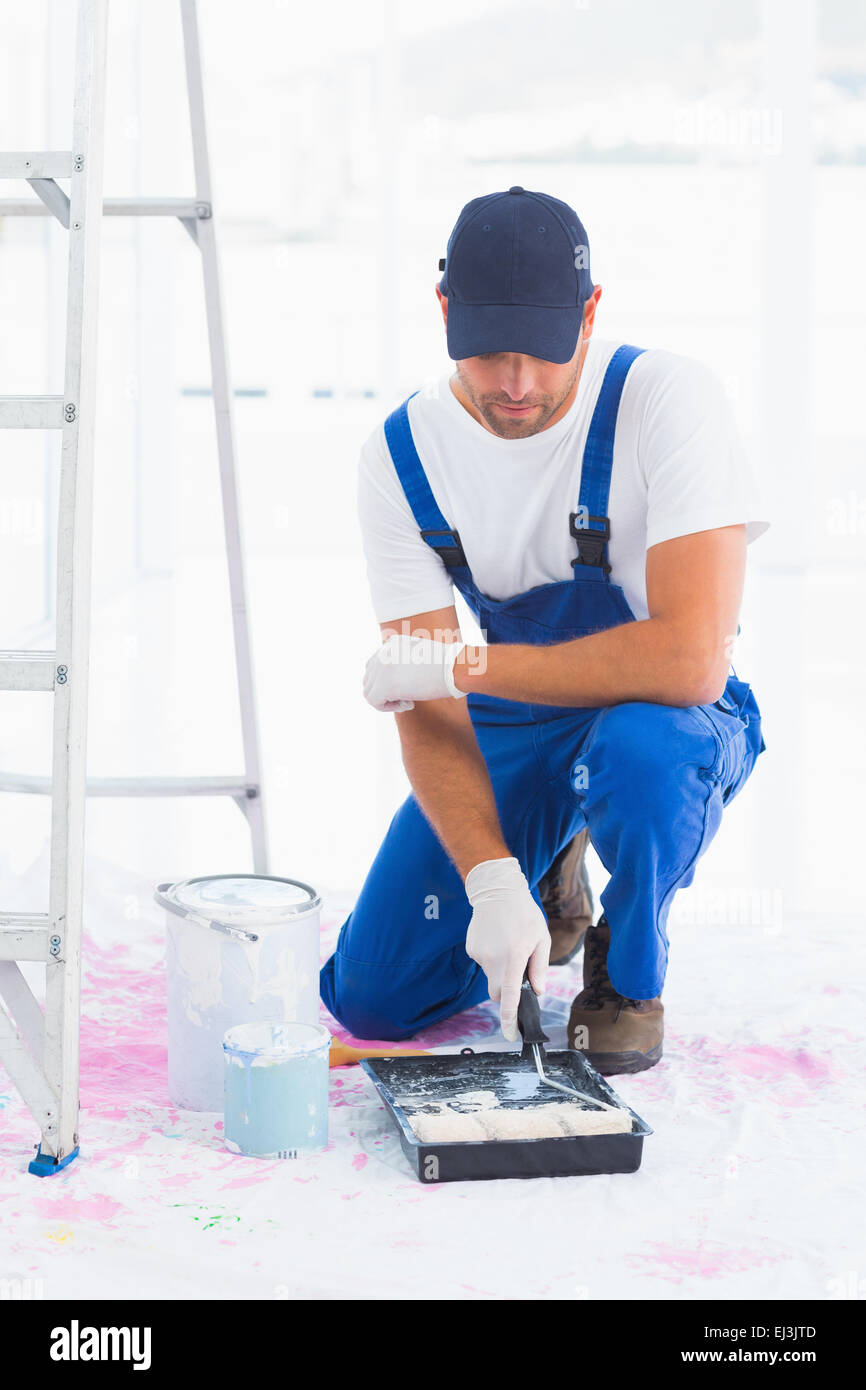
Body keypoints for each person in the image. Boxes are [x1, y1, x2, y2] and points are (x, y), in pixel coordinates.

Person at [320, 185, 768, 1074]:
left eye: (543, 351)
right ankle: (544, 870)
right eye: (487, 351)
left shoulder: (666, 400)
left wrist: (464, 664)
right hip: (516, 723)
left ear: (591, 312)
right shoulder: (402, 456)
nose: (517, 383)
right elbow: (430, 704)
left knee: (642, 755)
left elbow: (687, 661)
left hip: (664, 717)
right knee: (375, 995)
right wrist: (489, 881)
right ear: (443, 311)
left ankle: (628, 971)